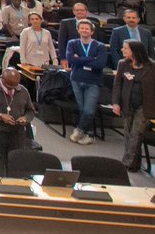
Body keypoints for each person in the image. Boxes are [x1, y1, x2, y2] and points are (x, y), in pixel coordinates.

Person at [111, 39, 155, 172]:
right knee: (128, 134)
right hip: (127, 103)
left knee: (136, 134)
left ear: (135, 51)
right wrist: (115, 103)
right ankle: (134, 163)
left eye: (125, 48)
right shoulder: (123, 64)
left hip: (145, 105)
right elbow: (117, 84)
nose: (122, 50)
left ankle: (126, 162)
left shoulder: (151, 66)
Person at [63, 19, 107, 145]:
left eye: (87, 28)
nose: (84, 30)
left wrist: (80, 59)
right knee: (82, 109)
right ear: (78, 30)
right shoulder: (72, 43)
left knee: (89, 110)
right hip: (76, 79)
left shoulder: (100, 46)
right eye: (81, 28)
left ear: (92, 31)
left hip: (93, 81)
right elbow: (71, 59)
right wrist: (90, 58)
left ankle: (80, 130)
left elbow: (100, 64)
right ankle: (90, 134)